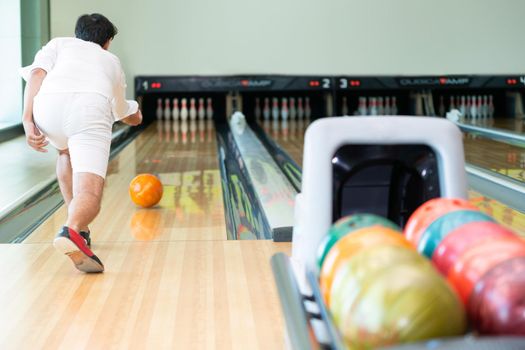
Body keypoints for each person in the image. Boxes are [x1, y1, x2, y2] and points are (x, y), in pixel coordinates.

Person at [20, 13, 142, 273]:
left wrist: (27, 120)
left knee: (64, 152)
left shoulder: (59, 44)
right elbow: (121, 111)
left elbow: (37, 74)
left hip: (47, 107)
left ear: (78, 34)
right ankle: (72, 229)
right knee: (90, 193)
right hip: (88, 109)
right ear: (107, 41)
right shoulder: (110, 59)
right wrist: (137, 112)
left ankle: (80, 231)